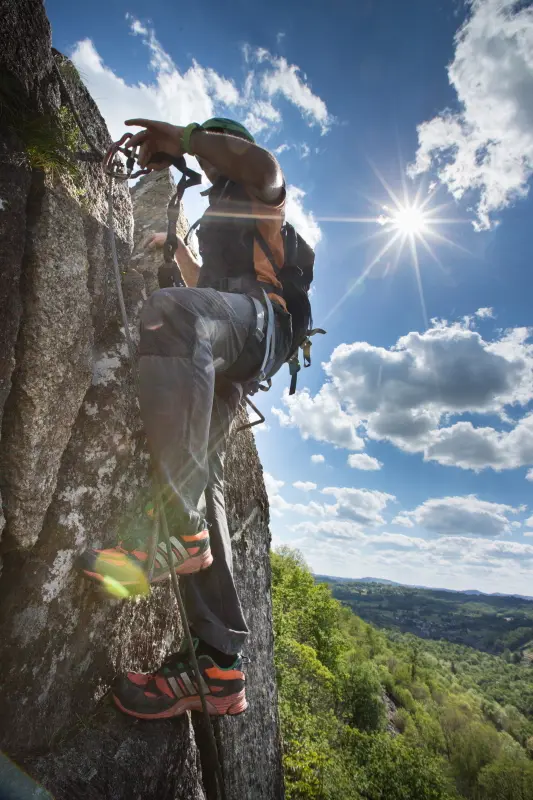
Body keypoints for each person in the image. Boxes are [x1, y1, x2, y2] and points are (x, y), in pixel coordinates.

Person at [77, 117, 292, 719]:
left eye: (223, 150)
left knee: (171, 315)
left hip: (258, 326)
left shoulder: (261, 188)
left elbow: (261, 163)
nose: (216, 165)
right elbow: (209, 288)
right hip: (229, 346)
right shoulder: (220, 218)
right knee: (206, 483)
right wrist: (173, 248)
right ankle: (220, 666)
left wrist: (187, 138)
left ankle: (176, 532)